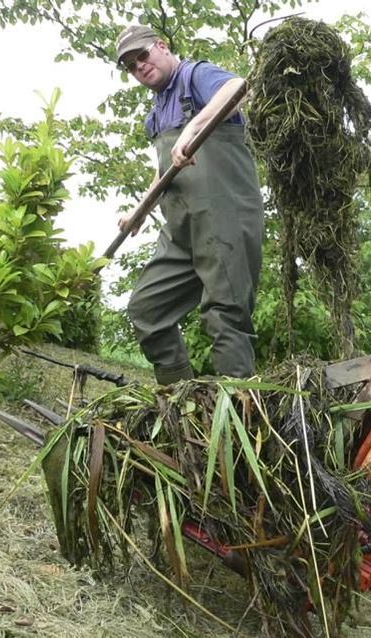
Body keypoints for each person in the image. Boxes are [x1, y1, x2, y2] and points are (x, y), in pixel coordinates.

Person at [115, 25, 264, 384]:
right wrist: (141, 210)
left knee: (224, 314)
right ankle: (182, 403)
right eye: (132, 66)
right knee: (147, 310)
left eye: (143, 56)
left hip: (225, 219)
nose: (140, 67)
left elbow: (239, 87)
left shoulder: (195, 75)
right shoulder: (156, 111)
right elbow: (166, 169)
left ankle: (239, 411)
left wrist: (194, 126)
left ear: (161, 47)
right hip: (182, 230)